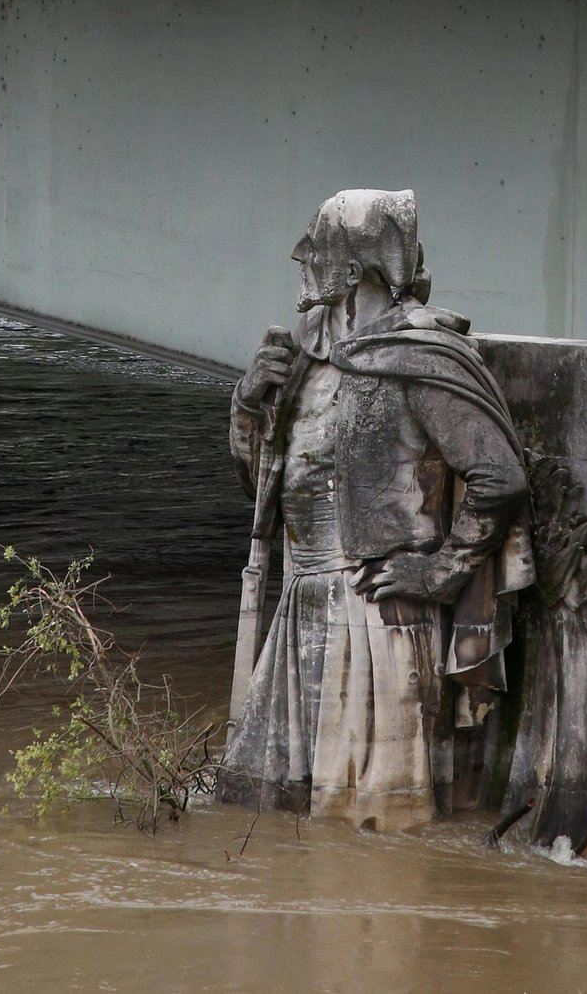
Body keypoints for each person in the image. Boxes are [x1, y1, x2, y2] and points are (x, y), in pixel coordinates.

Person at [219, 188, 534, 830]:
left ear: (361, 265)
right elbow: (265, 492)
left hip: (376, 615)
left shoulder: (419, 355)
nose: (302, 260)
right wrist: (248, 405)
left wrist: (439, 572)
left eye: (319, 247)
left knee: (373, 829)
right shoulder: (302, 354)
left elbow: (499, 478)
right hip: (300, 603)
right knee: (264, 815)